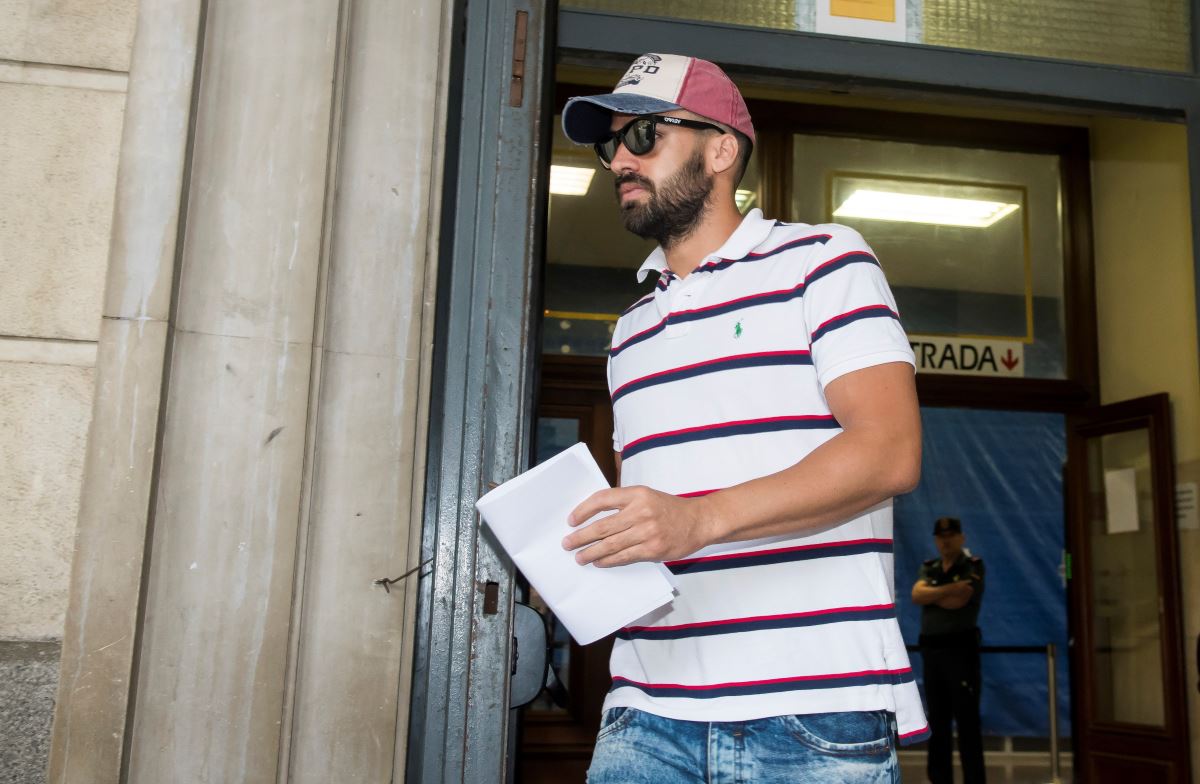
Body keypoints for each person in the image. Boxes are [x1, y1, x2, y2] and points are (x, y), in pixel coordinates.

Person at [558, 52, 928, 783]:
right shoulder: (629, 332)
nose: (618, 164)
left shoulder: (824, 262)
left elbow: (889, 453)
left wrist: (697, 520)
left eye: (643, 138)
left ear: (721, 149)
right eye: (612, 146)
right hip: (644, 714)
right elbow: (660, 522)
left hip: (812, 716)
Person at [911, 516, 987, 784]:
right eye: (941, 536)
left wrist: (936, 594)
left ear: (961, 537)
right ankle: (939, 779)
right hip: (932, 654)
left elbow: (961, 599)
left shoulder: (972, 565)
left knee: (967, 722)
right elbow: (917, 594)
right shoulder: (929, 567)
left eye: (951, 535)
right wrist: (948, 589)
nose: (946, 540)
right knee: (938, 722)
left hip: (960, 652)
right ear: (935, 540)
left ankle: (974, 779)